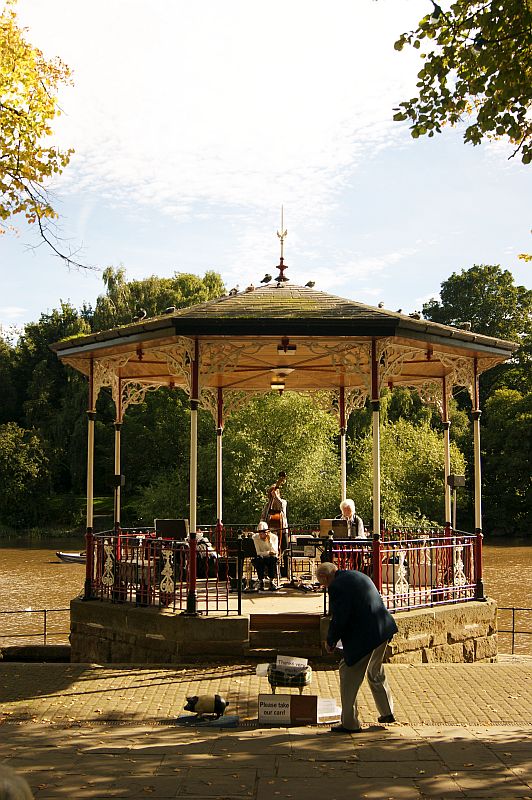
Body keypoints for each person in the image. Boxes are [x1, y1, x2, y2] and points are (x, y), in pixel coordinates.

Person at [316, 561, 397, 733]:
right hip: (383, 628)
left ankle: (349, 723)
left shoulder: (336, 586)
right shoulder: (356, 575)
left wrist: (330, 641)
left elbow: (340, 618)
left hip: (366, 635)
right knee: (375, 670)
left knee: (347, 672)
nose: (322, 586)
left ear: (325, 577)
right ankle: (387, 712)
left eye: (321, 582)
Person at [252, 521, 279, 591]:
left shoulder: (274, 537)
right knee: (258, 560)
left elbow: (274, 551)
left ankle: (271, 581)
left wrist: (269, 541)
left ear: (267, 533)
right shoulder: (255, 538)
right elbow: (258, 552)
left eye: (263, 533)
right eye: (260, 533)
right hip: (261, 557)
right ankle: (261, 581)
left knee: (272, 559)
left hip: (270, 557)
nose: (261, 535)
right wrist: (268, 553)